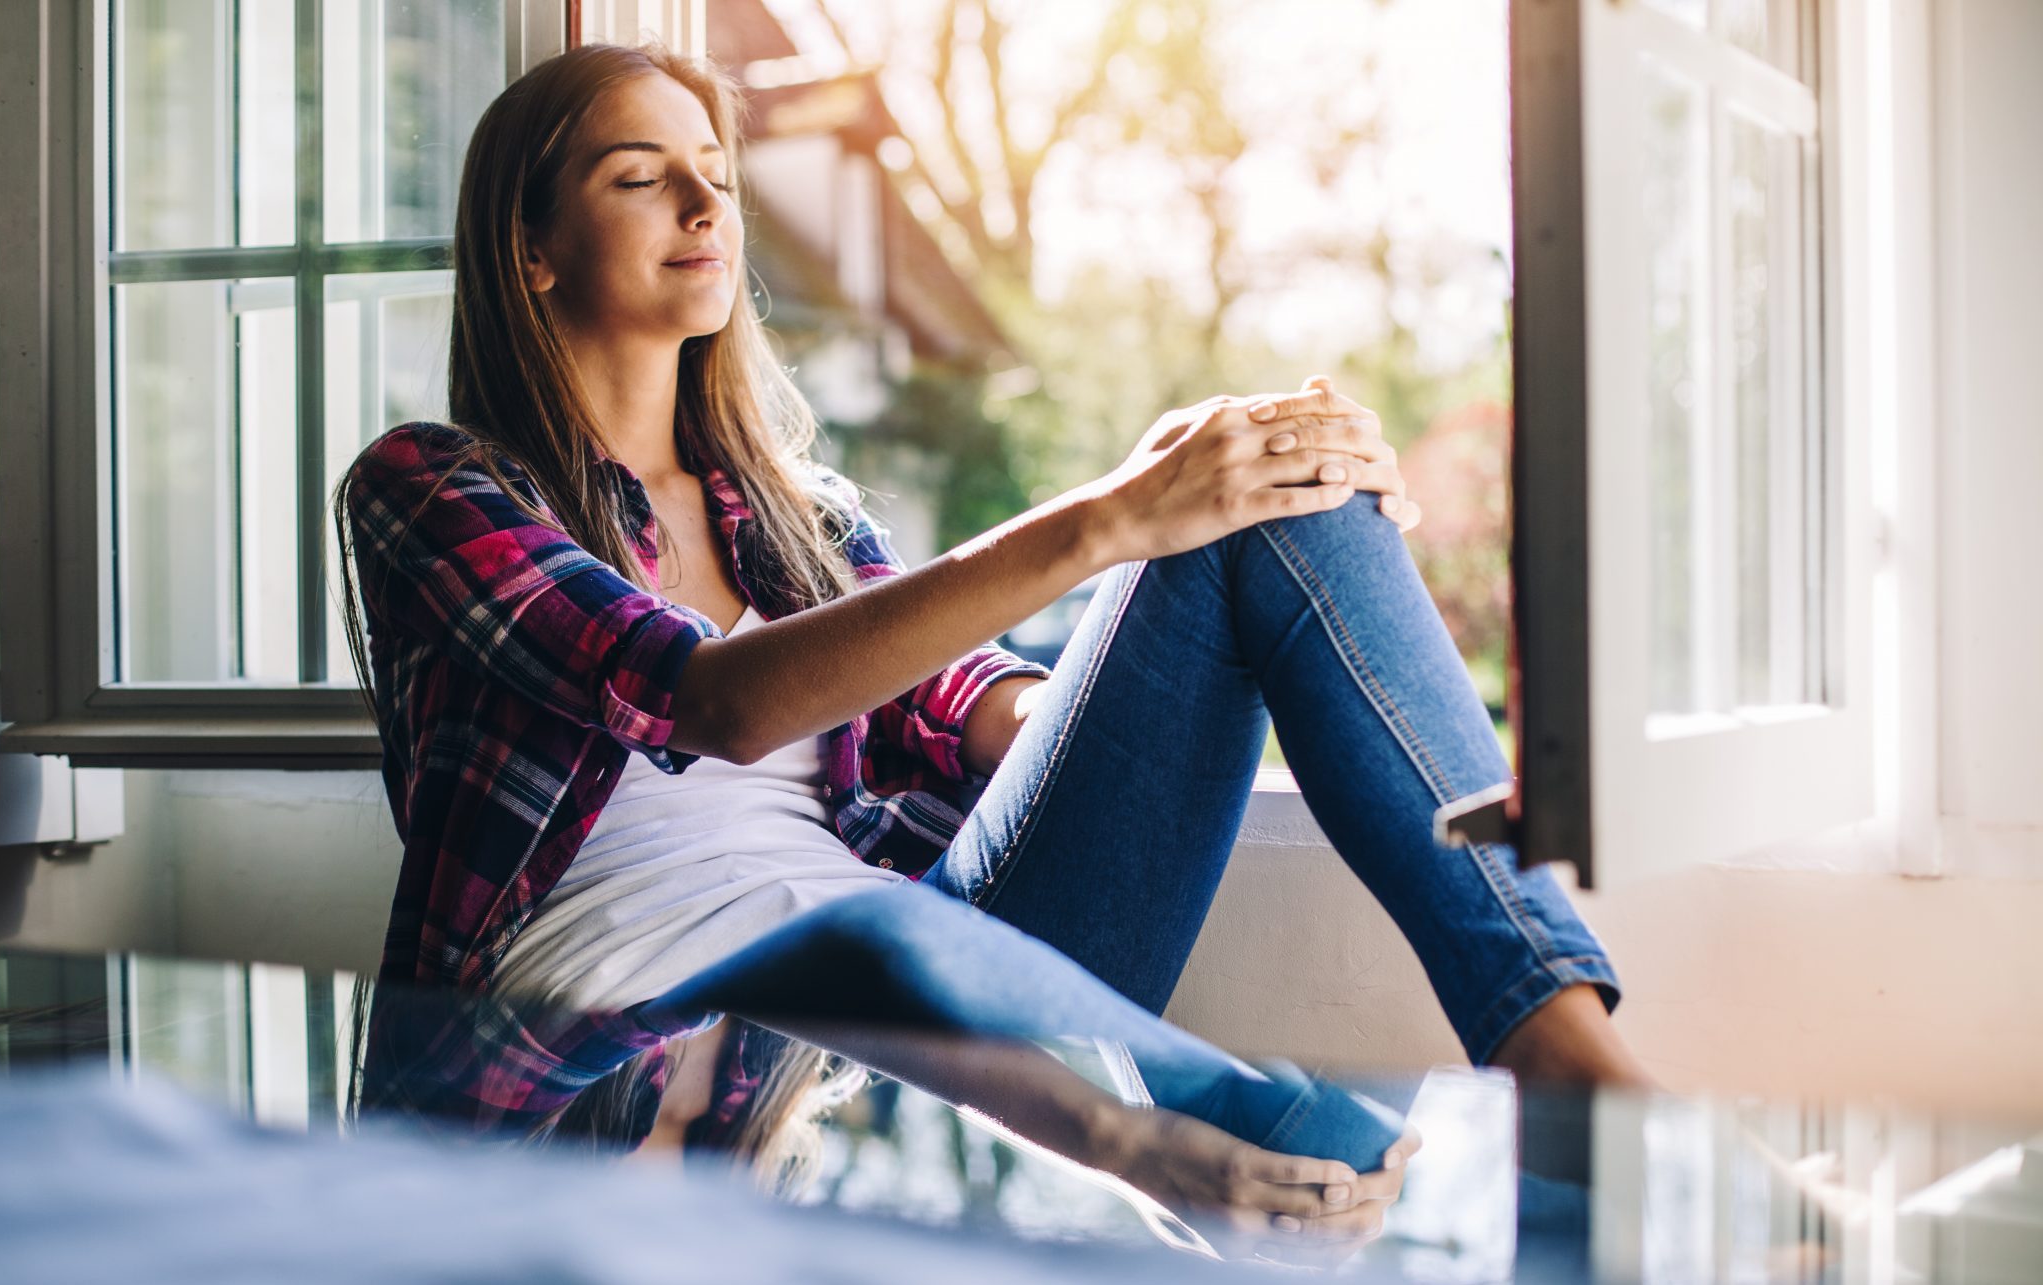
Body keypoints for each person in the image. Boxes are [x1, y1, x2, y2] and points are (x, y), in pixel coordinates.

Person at [336, 38, 1650, 1252]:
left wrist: (1163, 654)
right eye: (641, 176)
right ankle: (1596, 1200)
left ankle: (1575, 1062)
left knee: (1271, 496)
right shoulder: (435, 491)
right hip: (588, 1042)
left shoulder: (796, 522)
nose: (704, 205)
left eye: (718, 175)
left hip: (909, 953)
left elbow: (972, 701)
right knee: (1303, 1149)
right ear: (531, 251)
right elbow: (706, 698)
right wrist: (1114, 515)